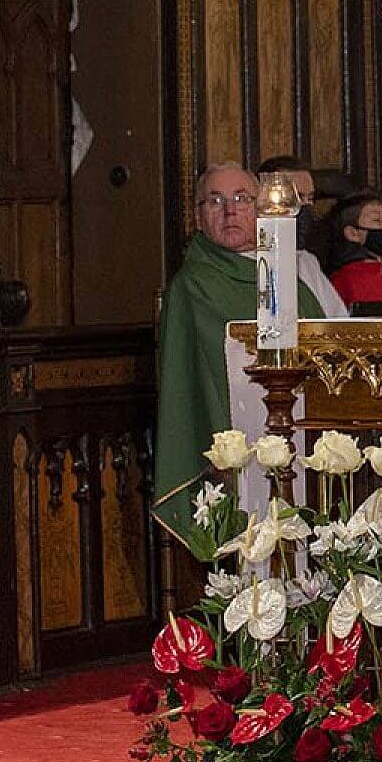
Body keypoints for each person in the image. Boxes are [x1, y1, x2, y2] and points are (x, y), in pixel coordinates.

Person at [153, 163, 340, 543]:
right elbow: (187, 382)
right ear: (198, 215)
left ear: (259, 208)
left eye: (241, 199)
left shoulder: (284, 272)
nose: (230, 210)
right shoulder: (192, 287)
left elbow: (325, 344)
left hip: (298, 432)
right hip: (236, 436)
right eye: (216, 201)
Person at [255, 154, 350, 315]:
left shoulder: (307, 261)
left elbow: (338, 319)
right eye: (295, 197)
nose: (305, 206)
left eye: (310, 198)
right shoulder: (254, 257)